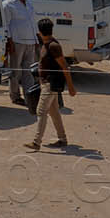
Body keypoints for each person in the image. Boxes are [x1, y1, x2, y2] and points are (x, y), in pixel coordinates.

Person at [24, 18, 75, 150]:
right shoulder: (46, 43)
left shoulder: (53, 46)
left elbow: (65, 66)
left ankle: (36, 142)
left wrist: (70, 87)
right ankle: (62, 139)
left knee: (41, 111)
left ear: (40, 32)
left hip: (50, 84)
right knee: (54, 113)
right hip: (45, 83)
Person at [0, 0, 38, 108]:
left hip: (30, 41)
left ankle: (29, 94)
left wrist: (36, 39)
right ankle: (15, 96)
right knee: (16, 71)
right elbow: (6, 25)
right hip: (17, 42)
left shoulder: (28, 0)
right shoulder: (8, 4)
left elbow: (32, 21)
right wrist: (9, 43)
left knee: (29, 70)